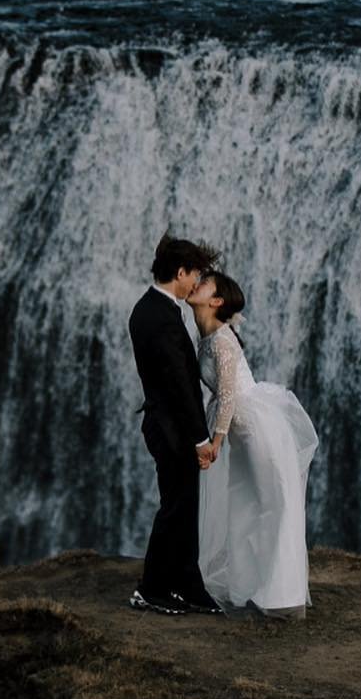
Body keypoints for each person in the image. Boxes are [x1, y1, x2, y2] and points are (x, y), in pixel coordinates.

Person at [188, 272, 319, 618]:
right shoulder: (206, 336)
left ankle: (279, 594)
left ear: (217, 301)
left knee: (272, 503)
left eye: (205, 284)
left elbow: (228, 395)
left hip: (256, 428)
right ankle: (250, 585)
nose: (196, 284)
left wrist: (214, 443)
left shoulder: (221, 340)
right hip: (243, 430)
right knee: (247, 503)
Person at [127, 235, 225, 616]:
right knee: (175, 507)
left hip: (166, 424)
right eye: (195, 273)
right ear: (180, 272)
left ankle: (186, 583)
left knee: (183, 506)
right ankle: (151, 588)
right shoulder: (161, 316)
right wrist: (202, 439)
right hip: (172, 429)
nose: (197, 281)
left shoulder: (152, 308)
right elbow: (179, 386)